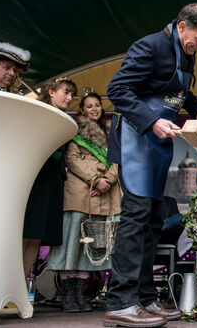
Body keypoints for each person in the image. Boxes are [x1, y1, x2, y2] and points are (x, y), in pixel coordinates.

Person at [103, 3, 197, 328]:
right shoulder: (149, 46)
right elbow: (118, 90)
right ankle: (121, 301)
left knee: (153, 220)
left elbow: (177, 94)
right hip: (137, 139)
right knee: (135, 219)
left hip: (159, 146)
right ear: (182, 26)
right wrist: (152, 122)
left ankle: (145, 298)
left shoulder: (186, 53)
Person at [47, 92, 121, 313]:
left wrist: (108, 179)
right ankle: (68, 295)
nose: (94, 109)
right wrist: (96, 180)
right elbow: (72, 159)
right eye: (89, 106)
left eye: (97, 105)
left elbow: (117, 159)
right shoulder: (74, 131)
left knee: (92, 246)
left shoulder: (111, 133)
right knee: (72, 242)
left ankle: (81, 294)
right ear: (82, 110)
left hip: (106, 193)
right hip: (81, 193)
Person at [23, 78, 77, 277]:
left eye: (72, 95)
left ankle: (25, 281)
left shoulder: (65, 118)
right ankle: (12, 281)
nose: (69, 98)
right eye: (66, 92)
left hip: (52, 179)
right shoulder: (36, 111)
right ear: (51, 92)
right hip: (34, 177)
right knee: (24, 232)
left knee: (37, 235)